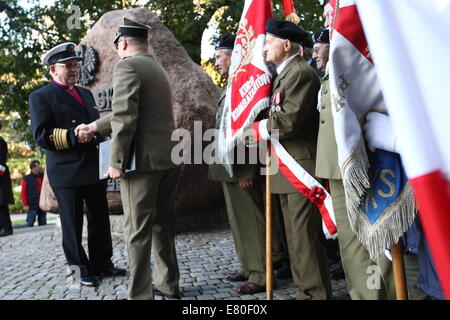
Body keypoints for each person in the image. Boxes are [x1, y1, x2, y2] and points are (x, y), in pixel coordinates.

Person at [76, 18, 180, 300]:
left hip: (143, 163)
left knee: (137, 231)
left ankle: (139, 294)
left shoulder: (128, 66)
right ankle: (169, 285)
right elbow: (131, 111)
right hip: (168, 158)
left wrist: (116, 162)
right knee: (163, 226)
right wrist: (95, 126)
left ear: (122, 42)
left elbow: (125, 117)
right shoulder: (156, 69)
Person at [28, 42, 126, 287]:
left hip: (93, 167)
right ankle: (80, 270)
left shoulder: (86, 93)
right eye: (68, 66)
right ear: (53, 70)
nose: (74, 70)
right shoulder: (41, 96)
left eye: (75, 65)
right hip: (67, 171)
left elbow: (95, 127)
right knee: (72, 226)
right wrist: (73, 135)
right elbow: (41, 136)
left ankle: (103, 264)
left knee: (100, 221)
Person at [262, 18, 332, 300]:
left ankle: (316, 294)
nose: (265, 47)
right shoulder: (284, 74)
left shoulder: (300, 73)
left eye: (269, 41)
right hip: (286, 168)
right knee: (295, 241)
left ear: (286, 44)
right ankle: (306, 291)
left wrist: (256, 129)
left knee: (306, 240)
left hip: (301, 167)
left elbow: (288, 122)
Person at [208, 34, 266, 295]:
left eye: (219, 56)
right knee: (238, 221)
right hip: (229, 166)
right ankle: (247, 266)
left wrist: (246, 169)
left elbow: (249, 130)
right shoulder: (233, 83)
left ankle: (260, 273)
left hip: (240, 167)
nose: (216, 61)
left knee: (250, 221)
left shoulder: (244, 84)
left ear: (233, 55)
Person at [20, 160, 47, 227]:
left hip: (42, 203)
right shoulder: (26, 179)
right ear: (33, 168)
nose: (39, 168)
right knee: (30, 223)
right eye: (38, 166)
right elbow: (23, 193)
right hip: (32, 204)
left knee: (43, 223)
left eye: (39, 166)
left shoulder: (44, 176)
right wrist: (25, 204)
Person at [0, 124, 14, 238]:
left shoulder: (0, 142)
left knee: (2, 204)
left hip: (1, 176)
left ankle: (6, 228)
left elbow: (1, 163)